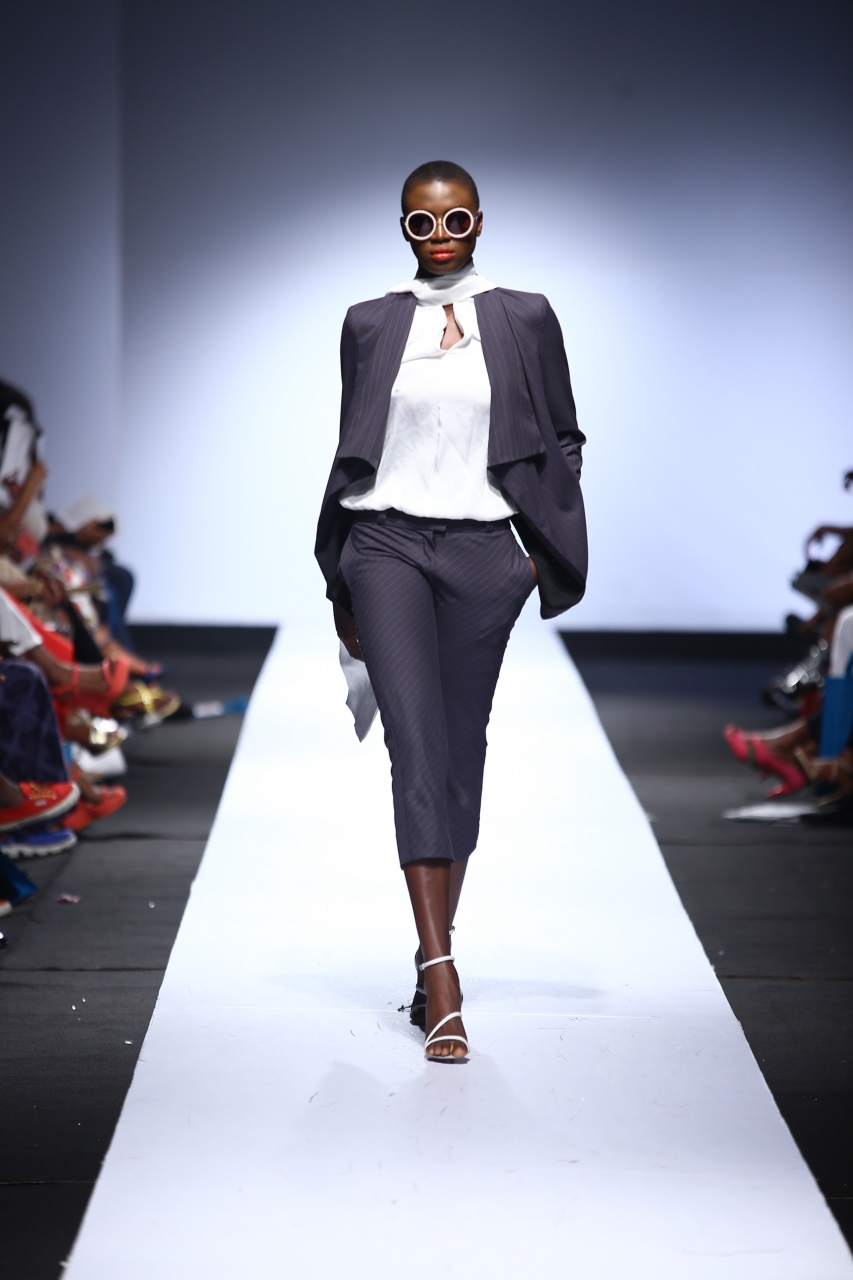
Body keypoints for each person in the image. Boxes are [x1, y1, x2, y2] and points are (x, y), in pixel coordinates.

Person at [315, 161, 587, 1062]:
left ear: (478, 220)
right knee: (416, 748)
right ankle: (441, 976)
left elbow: (563, 434)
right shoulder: (368, 321)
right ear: (402, 227)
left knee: (461, 752)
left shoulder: (525, 316)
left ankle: (432, 948)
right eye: (421, 222)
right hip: (385, 543)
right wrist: (341, 580)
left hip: (482, 554)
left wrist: (526, 553)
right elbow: (354, 444)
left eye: (455, 219)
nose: (439, 236)